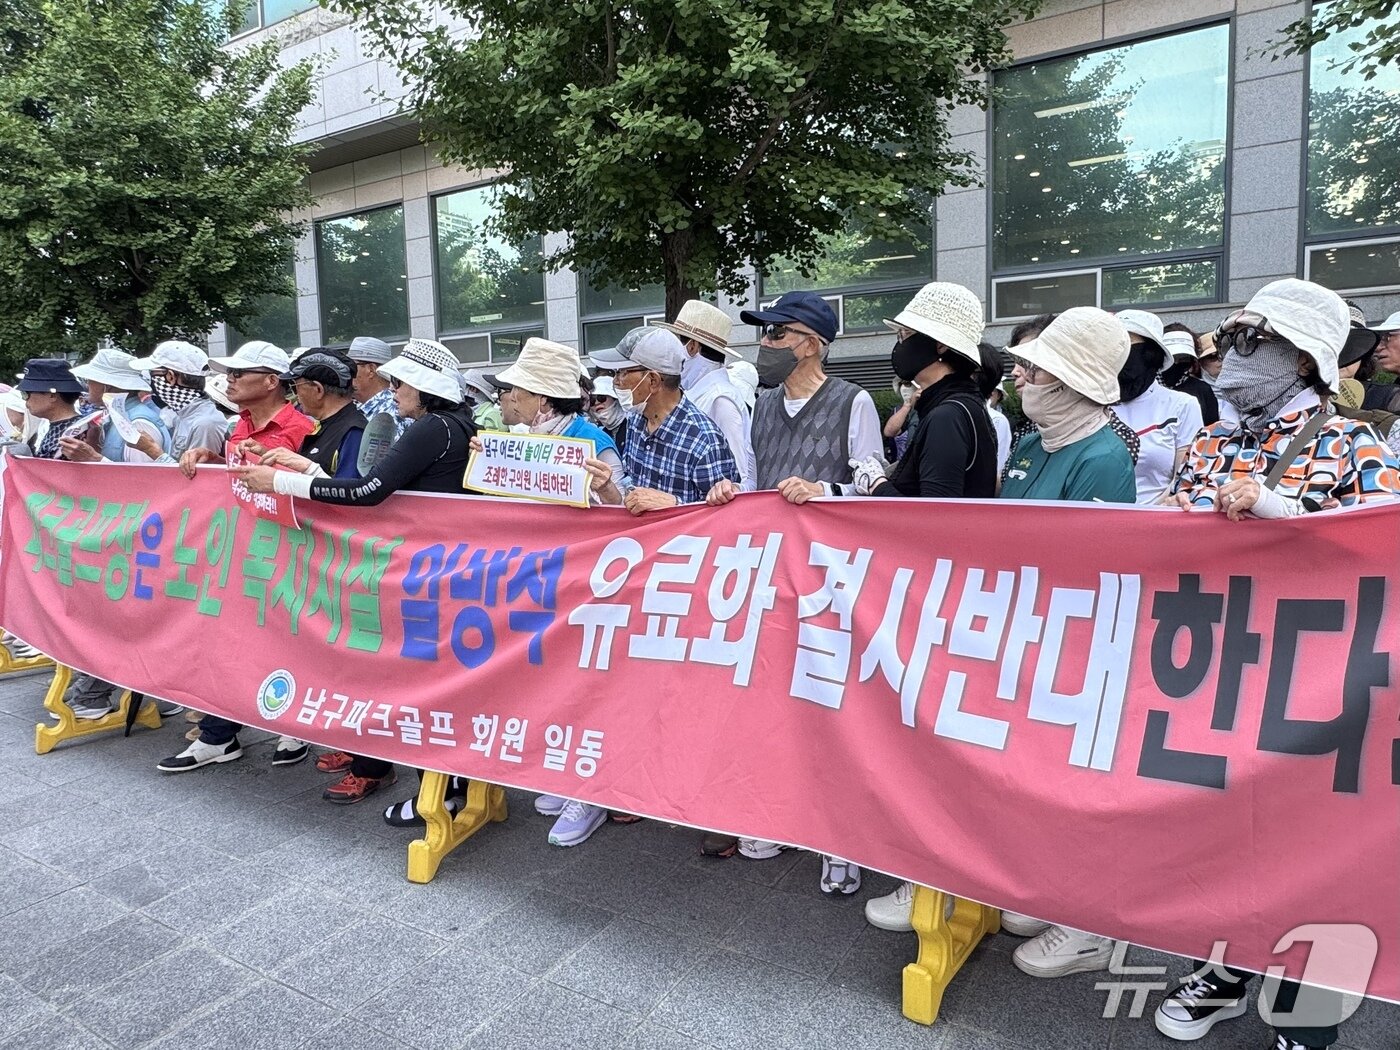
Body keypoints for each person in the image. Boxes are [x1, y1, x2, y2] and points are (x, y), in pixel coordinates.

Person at [1158, 279, 1400, 1050]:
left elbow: (1385, 552)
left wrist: (1281, 514)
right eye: (1233, 339)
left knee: (1314, 844)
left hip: (1320, 682)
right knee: (1226, 831)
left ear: (1303, 357)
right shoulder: (1209, 442)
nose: (1235, 357)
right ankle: (1229, 968)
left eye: (1254, 342)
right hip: (1214, 672)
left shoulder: (1356, 443)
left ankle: (1306, 1005)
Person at [231, 339, 477, 811]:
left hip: (420, 573)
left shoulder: (431, 428)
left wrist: (281, 482)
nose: (394, 389)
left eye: (401, 382)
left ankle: (444, 796)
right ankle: (454, 790)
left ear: (425, 386)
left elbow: (367, 491)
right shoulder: (455, 425)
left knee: (424, 687)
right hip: (444, 570)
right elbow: (376, 480)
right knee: (440, 687)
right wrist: (306, 467)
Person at [988, 307, 1138, 978]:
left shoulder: (1104, 457)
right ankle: (1045, 890)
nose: (1021, 378)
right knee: (1027, 776)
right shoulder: (1029, 443)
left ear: (1073, 382)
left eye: (1035, 369)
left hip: (1072, 646)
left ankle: (1091, 922)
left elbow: (1093, 570)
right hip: (1021, 635)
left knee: (1071, 782)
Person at [157, 341, 317, 772]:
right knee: (222, 637)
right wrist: (209, 460)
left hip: (289, 554)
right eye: (228, 373)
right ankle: (216, 735)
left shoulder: (305, 427)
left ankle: (293, 725)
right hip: (236, 551)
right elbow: (234, 480)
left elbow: (317, 490)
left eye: (238, 373)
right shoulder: (237, 426)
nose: (229, 380)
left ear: (271, 382)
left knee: (287, 638)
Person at [585, 327, 738, 513]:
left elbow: (726, 517)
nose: (615, 382)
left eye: (622, 373)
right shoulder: (635, 421)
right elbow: (633, 499)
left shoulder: (704, 441)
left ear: (653, 381)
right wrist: (607, 488)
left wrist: (675, 506)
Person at [654, 300, 755, 490]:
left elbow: (739, 476)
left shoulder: (721, 400)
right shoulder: (697, 391)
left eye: (678, 341)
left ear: (692, 346)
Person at [1113, 310, 1205, 505]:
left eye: (1127, 345)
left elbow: (1184, 477)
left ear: (1151, 354)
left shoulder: (1182, 405)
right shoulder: (1092, 404)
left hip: (1155, 520)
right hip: (1097, 519)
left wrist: (1150, 513)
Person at [58, 348, 172, 466]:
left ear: (106, 386)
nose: (88, 384)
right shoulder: (121, 416)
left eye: (90, 379)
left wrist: (93, 458)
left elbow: (144, 478)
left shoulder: (137, 423)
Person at [129, 340, 231, 461]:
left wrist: (153, 450)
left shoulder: (204, 424)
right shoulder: (185, 416)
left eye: (153, 374)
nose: (151, 381)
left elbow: (197, 476)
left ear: (170, 377)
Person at [16, 359, 101, 459]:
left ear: (52, 395)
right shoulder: (65, 426)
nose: (25, 400)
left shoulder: (77, 431)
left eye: (26, 394)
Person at [347, 335, 409, 441]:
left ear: (371, 370)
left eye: (351, 366)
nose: (347, 373)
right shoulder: (360, 407)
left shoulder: (392, 412)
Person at [1161, 322, 1220, 425]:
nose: (1177, 363)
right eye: (1173, 358)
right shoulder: (1146, 389)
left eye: (1184, 357)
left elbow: (1212, 431)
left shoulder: (1202, 389)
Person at [589, 375, 628, 450]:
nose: (596, 403)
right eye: (592, 400)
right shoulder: (600, 434)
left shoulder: (631, 427)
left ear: (616, 399)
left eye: (601, 397)